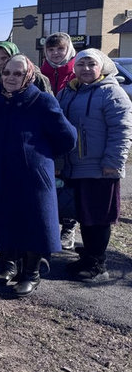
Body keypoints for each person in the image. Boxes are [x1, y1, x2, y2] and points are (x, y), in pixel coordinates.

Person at [0, 54, 76, 297]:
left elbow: (68, 138)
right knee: (5, 216)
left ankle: (31, 273)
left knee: (34, 222)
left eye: (17, 73)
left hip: (32, 175)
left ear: (29, 75)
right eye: (7, 72)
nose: (11, 77)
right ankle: (9, 264)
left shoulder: (42, 102)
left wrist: (41, 155)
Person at [58, 49, 132, 281]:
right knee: (84, 215)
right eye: (81, 65)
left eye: (91, 64)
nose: (86, 69)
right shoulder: (66, 92)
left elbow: (122, 130)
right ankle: (88, 257)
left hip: (101, 168)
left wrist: (113, 162)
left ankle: (98, 265)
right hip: (75, 166)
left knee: (99, 217)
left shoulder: (112, 93)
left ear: (102, 67)